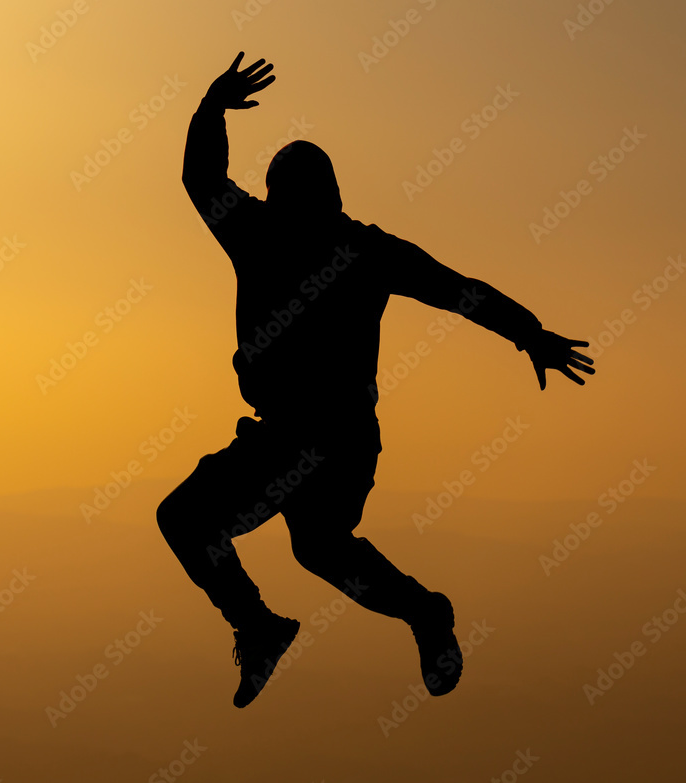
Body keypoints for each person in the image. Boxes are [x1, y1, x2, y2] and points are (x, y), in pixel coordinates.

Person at [156, 52, 595, 709]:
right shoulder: (351, 247)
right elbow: (460, 291)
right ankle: (416, 613)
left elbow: (202, 177)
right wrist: (529, 334)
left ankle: (267, 625)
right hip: (333, 439)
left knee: (202, 521)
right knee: (317, 547)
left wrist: (212, 107)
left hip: (310, 437)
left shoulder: (273, 235)